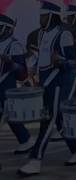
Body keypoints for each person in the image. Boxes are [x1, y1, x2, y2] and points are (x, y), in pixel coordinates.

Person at [18, 2, 76, 176]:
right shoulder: (43, 34)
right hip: (47, 84)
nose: (40, 19)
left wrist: (61, 61)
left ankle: (35, 160)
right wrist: (33, 69)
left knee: (47, 121)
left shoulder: (63, 35)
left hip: (58, 84)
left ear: (51, 16)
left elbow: (75, 62)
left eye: (43, 16)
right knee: (58, 120)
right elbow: (42, 58)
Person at [0, 14, 33, 155]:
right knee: (11, 117)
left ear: (6, 29)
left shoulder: (14, 46)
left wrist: (10, 62)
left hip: (6, 87)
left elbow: (22, 73)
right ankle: (25, 140)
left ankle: (26, 140)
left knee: (9, 114)